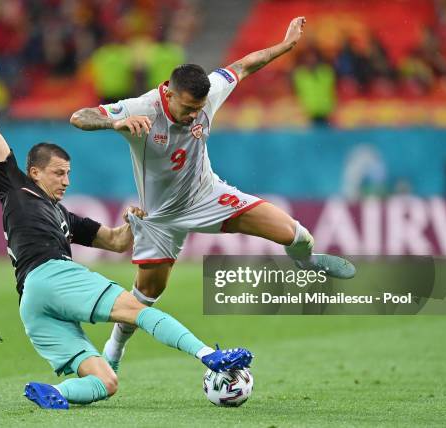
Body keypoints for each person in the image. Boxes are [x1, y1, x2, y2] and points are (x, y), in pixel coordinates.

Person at [0, 46, 252, 410]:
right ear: (34, 172)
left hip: (33, 304)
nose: (66, 181)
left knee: (106, 382)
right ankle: (208, 356)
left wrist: (134, 223)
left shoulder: (65, 217)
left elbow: (116, 243)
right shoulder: (15, 187)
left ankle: (55, 394)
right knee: (138, 309)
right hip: (50, 275)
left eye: (69, 173)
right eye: (58, 173)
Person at [70, 17, 356, 371]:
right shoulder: (141, 109)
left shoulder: (208, 95)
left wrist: (284, 46)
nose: (194, 116)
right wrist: (114, 122)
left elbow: (244, 65)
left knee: (296, 234)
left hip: (208, 196)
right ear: (169, 93)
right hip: (160, 218)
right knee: (144, 297)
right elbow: (79, 117)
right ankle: (114, 352)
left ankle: (305, 260)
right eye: (188, 108)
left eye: (199, 109)